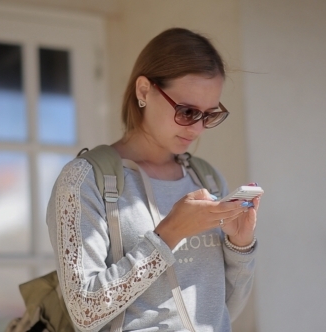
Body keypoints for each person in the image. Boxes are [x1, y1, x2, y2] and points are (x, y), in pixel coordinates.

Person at [46, 27, 261, 332]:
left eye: (209, 115)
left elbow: (223, 310)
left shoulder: (206, 179)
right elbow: (84, 311)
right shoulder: (86, 180)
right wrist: (168, 234)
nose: (198, 129)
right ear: (144, 91)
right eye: (187, 112)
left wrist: (240, 248)